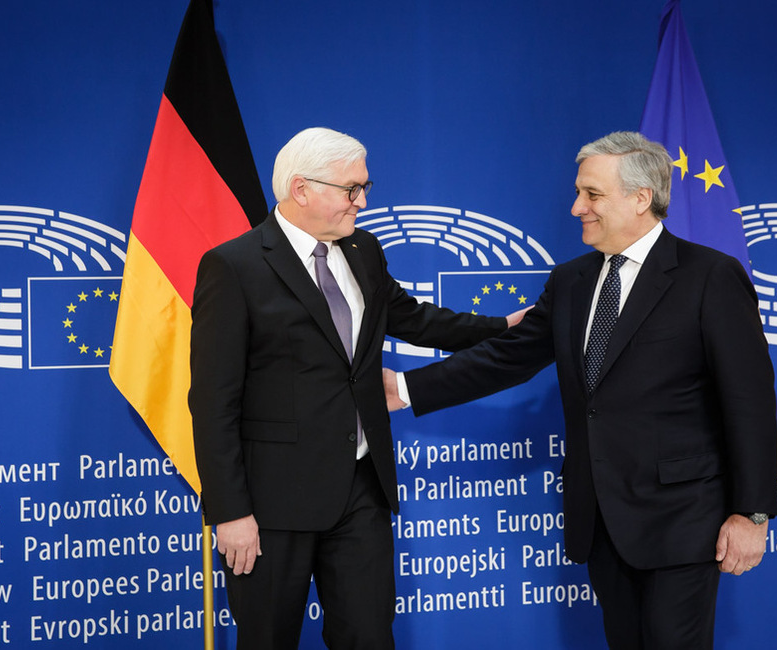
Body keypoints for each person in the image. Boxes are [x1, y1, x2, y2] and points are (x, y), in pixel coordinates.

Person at [385, 131, 777, 649]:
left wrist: (752, 512)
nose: (577, 207)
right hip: (600, 519)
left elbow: (750, 400)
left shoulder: (709, 276)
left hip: (683, 519)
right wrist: (405, 388)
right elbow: (510, 356)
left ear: (642, 198)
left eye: (592, 194)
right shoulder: (571, 280)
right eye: (579, 192)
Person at [189, 127, 525, 649]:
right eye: (351, 189)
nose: (363, 201)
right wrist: (231, 512)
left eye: (365, 187)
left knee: (369, 637)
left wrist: (502, 327)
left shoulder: (363, 250)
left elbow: (412, 319)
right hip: (273, 502)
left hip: (361, 487)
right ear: (301, 189)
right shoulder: (234, 267)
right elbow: (212, 401)